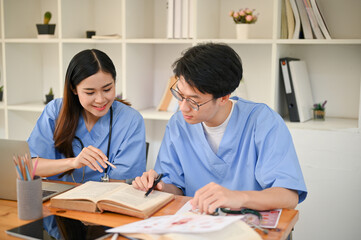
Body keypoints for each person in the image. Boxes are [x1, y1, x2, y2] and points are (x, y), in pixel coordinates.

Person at [133, 43, 307, 214]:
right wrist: (160, 186)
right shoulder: (178, 124)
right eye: (179, 95)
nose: (183, 107)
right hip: (195, 225)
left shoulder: (262, 121)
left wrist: (237, 198)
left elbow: (288, 196)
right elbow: (177, 189)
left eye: (194, 101)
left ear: (223, 97)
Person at [28, 49, 146, 183]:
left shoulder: (130, 120)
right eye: (90, 92)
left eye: (107, 89)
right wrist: (73, 163)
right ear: (73, 89)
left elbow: (122, 183)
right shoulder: (55, 111)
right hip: (56, 198)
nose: (100, 99)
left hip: (103, 200)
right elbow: (31, 166)